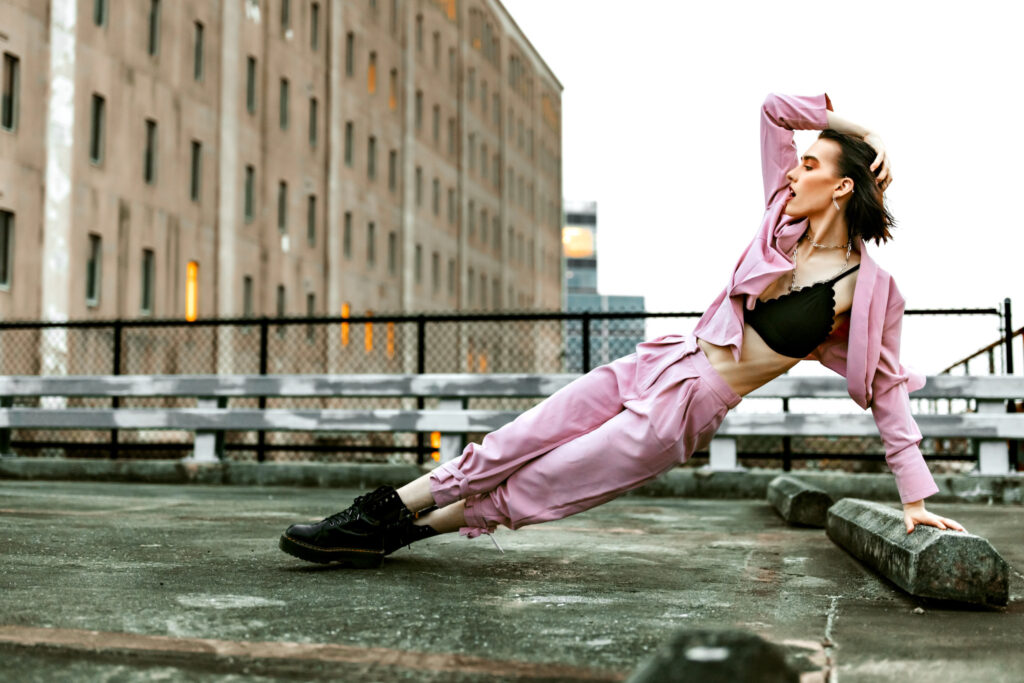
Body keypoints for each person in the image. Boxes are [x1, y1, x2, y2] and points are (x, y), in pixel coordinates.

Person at [279, 92, 967, 568]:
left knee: (535, 487)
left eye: (813, 164)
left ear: (843, 188)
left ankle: (393, 537)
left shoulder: (868, 292)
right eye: (799, 159)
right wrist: (867, 134)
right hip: (660, 357)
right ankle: (368, 516)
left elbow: (888, 393)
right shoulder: (779, 217)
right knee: (511, 441)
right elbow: (773, 107)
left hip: (687, 406)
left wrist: (915, 500)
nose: (795, 168)